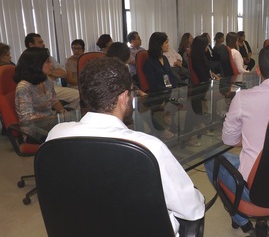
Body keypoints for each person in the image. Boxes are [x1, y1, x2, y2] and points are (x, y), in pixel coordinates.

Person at [45, 57, 205, 236]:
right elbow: (192, 209)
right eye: (131, 92)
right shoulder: (147, 148)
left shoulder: (55, 135)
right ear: (123, 97)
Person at [204, 45, 269, 233]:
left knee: (211, 158)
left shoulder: (243, 99)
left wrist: (250, 139)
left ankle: (240, 218)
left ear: (259, 70)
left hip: (257, 189)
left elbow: (228, 140)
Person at [25, 33, 80, 110]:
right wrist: (52, 73)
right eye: (40, 42)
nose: (43, 44)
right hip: (42, 89)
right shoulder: (26, 59)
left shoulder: (48, 57)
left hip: (53, 86)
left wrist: (49, 72)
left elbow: (64, 73)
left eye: (43, 42)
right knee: (78, 95)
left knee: (79, 95)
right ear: (31, 45)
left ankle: (66, 114)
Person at [13, 47, 66, 123]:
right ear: (36, 64)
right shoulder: (24, 87)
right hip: (35, 130)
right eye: (48, 61)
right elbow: (27, 118)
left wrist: (64, 114)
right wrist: (53, 118)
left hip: (50, 123)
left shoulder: (46, 80)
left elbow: (54, 101)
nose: (51, 64)